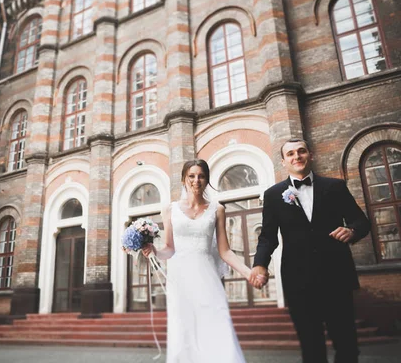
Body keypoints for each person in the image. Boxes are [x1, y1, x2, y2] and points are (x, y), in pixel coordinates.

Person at [249, 139, 370, 363]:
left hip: (336, 276)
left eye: (301, 151)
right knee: (311, 347)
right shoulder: (274, 195)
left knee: (347, 345)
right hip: (298, 280)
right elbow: (268, 236)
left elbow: (362, 222)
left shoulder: (335, 187)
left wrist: (352, 231)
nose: (297, 156)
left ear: (310, 155)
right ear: (283, 161)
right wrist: (260, 264)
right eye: (291, 153)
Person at [142, 159, 254, 363]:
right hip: (180, 280)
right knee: (184, 330)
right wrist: (155, 251)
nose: (196, 180)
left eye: (201, 176)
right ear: (184, 180)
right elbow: (169, 249)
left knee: (216, 324)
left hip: (207, 277)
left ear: (207, 179)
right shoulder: (170, 210)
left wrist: (248, 273)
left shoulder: (217, 209)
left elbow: (225, 251)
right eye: (191, 176)